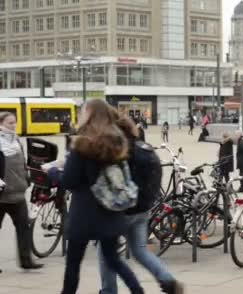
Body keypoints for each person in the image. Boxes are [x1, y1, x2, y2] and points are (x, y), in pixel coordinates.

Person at [48, 99, 143, 294]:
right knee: (114, 260)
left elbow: (70, 181)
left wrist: (52, 172)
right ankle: (138, 291)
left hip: (84, 214)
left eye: (83, 111)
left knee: (73, 265)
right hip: (110, 212)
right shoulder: (118, 142)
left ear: (89, 114)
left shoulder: (83, 143)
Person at [98, 115, 183, 294]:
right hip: (143, 209)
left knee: (105, 253)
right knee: (140, 250)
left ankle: (108, 291)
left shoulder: (121, 150)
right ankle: (167, 279)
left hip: (124, 211)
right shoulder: (144, 148)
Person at [0, 111, 43, 272]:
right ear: (1, 124)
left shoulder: (16, 140)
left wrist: (26, 179)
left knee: (24, 227)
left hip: (17, 193)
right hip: (2, 195)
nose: (13, 125)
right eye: (9, 123)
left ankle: (26, 260)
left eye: (14, 122)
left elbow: (23, 163)